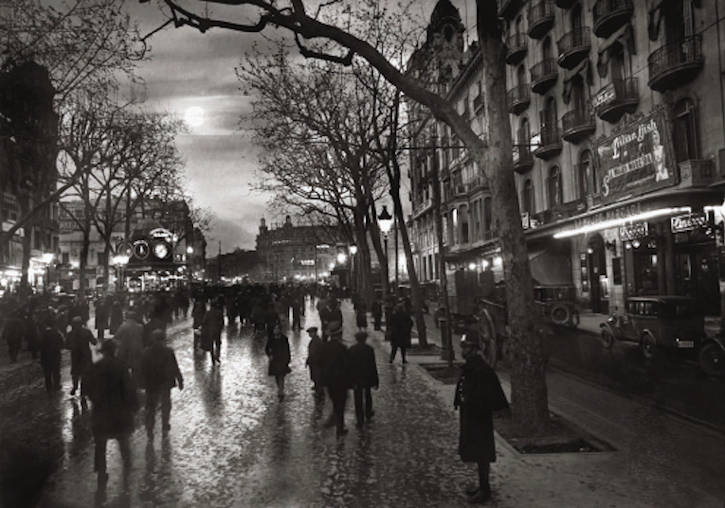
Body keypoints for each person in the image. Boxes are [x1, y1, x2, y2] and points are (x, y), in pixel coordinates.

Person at [454, 334, 509, 504]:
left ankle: (485, 489)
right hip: (471, 416)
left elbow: (491, 394)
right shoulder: (472, 367)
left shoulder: (481, 369)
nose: (462, 350)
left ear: (473, 349)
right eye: (462, 346)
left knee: (482, 453)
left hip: (479, 418)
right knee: (476, 453)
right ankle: (482, 486)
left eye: (465, 347)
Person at [87, 339, 138, 488]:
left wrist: (97, 401)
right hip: (119, 411)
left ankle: (101, 471)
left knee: (100, 444)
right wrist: (134, 406)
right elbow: (129, 389)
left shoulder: (96, 367)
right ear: (114, 350)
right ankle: (127, 466)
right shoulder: (121, 366)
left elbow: (89, 388)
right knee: (123, 439)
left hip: (101, 412)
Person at [141, 329, 184, 439]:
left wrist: (141, 384)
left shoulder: (146, 352)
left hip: (151, 384)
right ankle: (165, 424)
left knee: (150, 408)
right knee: (166, 405)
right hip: (165, 383)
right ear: (163, 339)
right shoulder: (168, 351)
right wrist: (180, 379)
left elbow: (142, 370)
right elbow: (175, 366)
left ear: (153, 339)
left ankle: (150, 429)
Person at [320, 328, 350, 437]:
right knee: (341, 404)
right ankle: (340, 427)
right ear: (338, 336)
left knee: (334, 401)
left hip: (329, 381)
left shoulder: (324, 347)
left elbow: (321, 363)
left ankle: (336, 420)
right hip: (341, 380)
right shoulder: (342, 348)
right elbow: (347, 365)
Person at [348, 331, 378, 428]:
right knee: (368, 395)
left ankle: (359, 418)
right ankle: (368, 412)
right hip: (367, 376)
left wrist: (349, 380)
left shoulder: (352, 349)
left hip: (356, 378)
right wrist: (376, 380)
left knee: (358, 398)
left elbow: (349, 366)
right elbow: (373, 365)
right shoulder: (369, 349)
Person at [65, 316, 97, 401]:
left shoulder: (70, 334)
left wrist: (73, 347)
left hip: (75, 356)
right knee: (85, 374)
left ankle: (75, 387)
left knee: (75, 372)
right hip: (85, 355)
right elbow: (94, 342)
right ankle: (83, 392)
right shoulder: (87, 331)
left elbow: (66, 345)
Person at [115, 311, 145, 384]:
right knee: (136, 368)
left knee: (125, 367)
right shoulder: (140, 326)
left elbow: (116, 337)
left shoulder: (123, 326)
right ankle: (136, 383)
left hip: (125, 350)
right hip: (137, 350)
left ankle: (127, 383)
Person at [265, 324, 291, 401]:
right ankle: (279, 388)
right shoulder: (271, 339)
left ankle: (281, 390)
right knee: (277, 376)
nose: (276, 330)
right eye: (275, 329)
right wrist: (269, 355)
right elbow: (266, 348)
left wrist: (288, 359)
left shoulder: (284, 339)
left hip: (282, 359)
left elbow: (287, 350)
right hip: (274, 360)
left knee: (281, 375)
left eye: (277, 329)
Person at [39, 313, 64, 392]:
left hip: (45, 356)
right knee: (56, 371)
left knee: (47, 373)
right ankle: (57, 385)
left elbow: (39, 345)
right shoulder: (57, 332)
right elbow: (62, 343)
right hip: (56, 355)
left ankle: (48, 387)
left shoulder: (43, 333)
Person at [202, 297, 224, 364]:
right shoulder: (219, 312)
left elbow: (204, 321)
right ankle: (217, 356)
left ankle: (212, 359)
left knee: (211, 345)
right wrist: (220, 328)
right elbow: (222, 322)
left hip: (210, 331)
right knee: (218, 344)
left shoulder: (208, 313)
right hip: (217, 331)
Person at [305, 326, 324, 397]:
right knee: (314, 376)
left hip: (316, 362)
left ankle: (319, 390)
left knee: (317, 376)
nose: (309, 334)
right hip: (313, 362)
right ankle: (317, 388)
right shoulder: (314, 340)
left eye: (310, 333)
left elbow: (315, 353)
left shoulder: (317, 341)